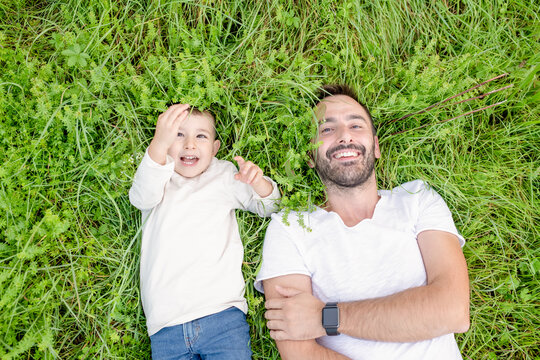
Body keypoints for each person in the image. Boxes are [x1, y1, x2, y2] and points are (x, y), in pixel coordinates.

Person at [254, 85, 470, 360]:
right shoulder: (289, 228)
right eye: (326, 130)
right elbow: (300, 354)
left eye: (356, 126)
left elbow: (452, 311)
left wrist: (326, 316)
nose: (344, 136)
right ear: (309, 155)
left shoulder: (417, 199)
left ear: (376, 147)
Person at [129, 104, 280, 359]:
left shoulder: (223, 174)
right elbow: (140, 197)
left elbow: (271, 207)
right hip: (166, 325)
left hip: (222, 315)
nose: (189, 144)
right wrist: (158, 146)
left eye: (201, 136)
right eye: (178, 134)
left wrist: (258, 182)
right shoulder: (158, 176)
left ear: (215, 148)